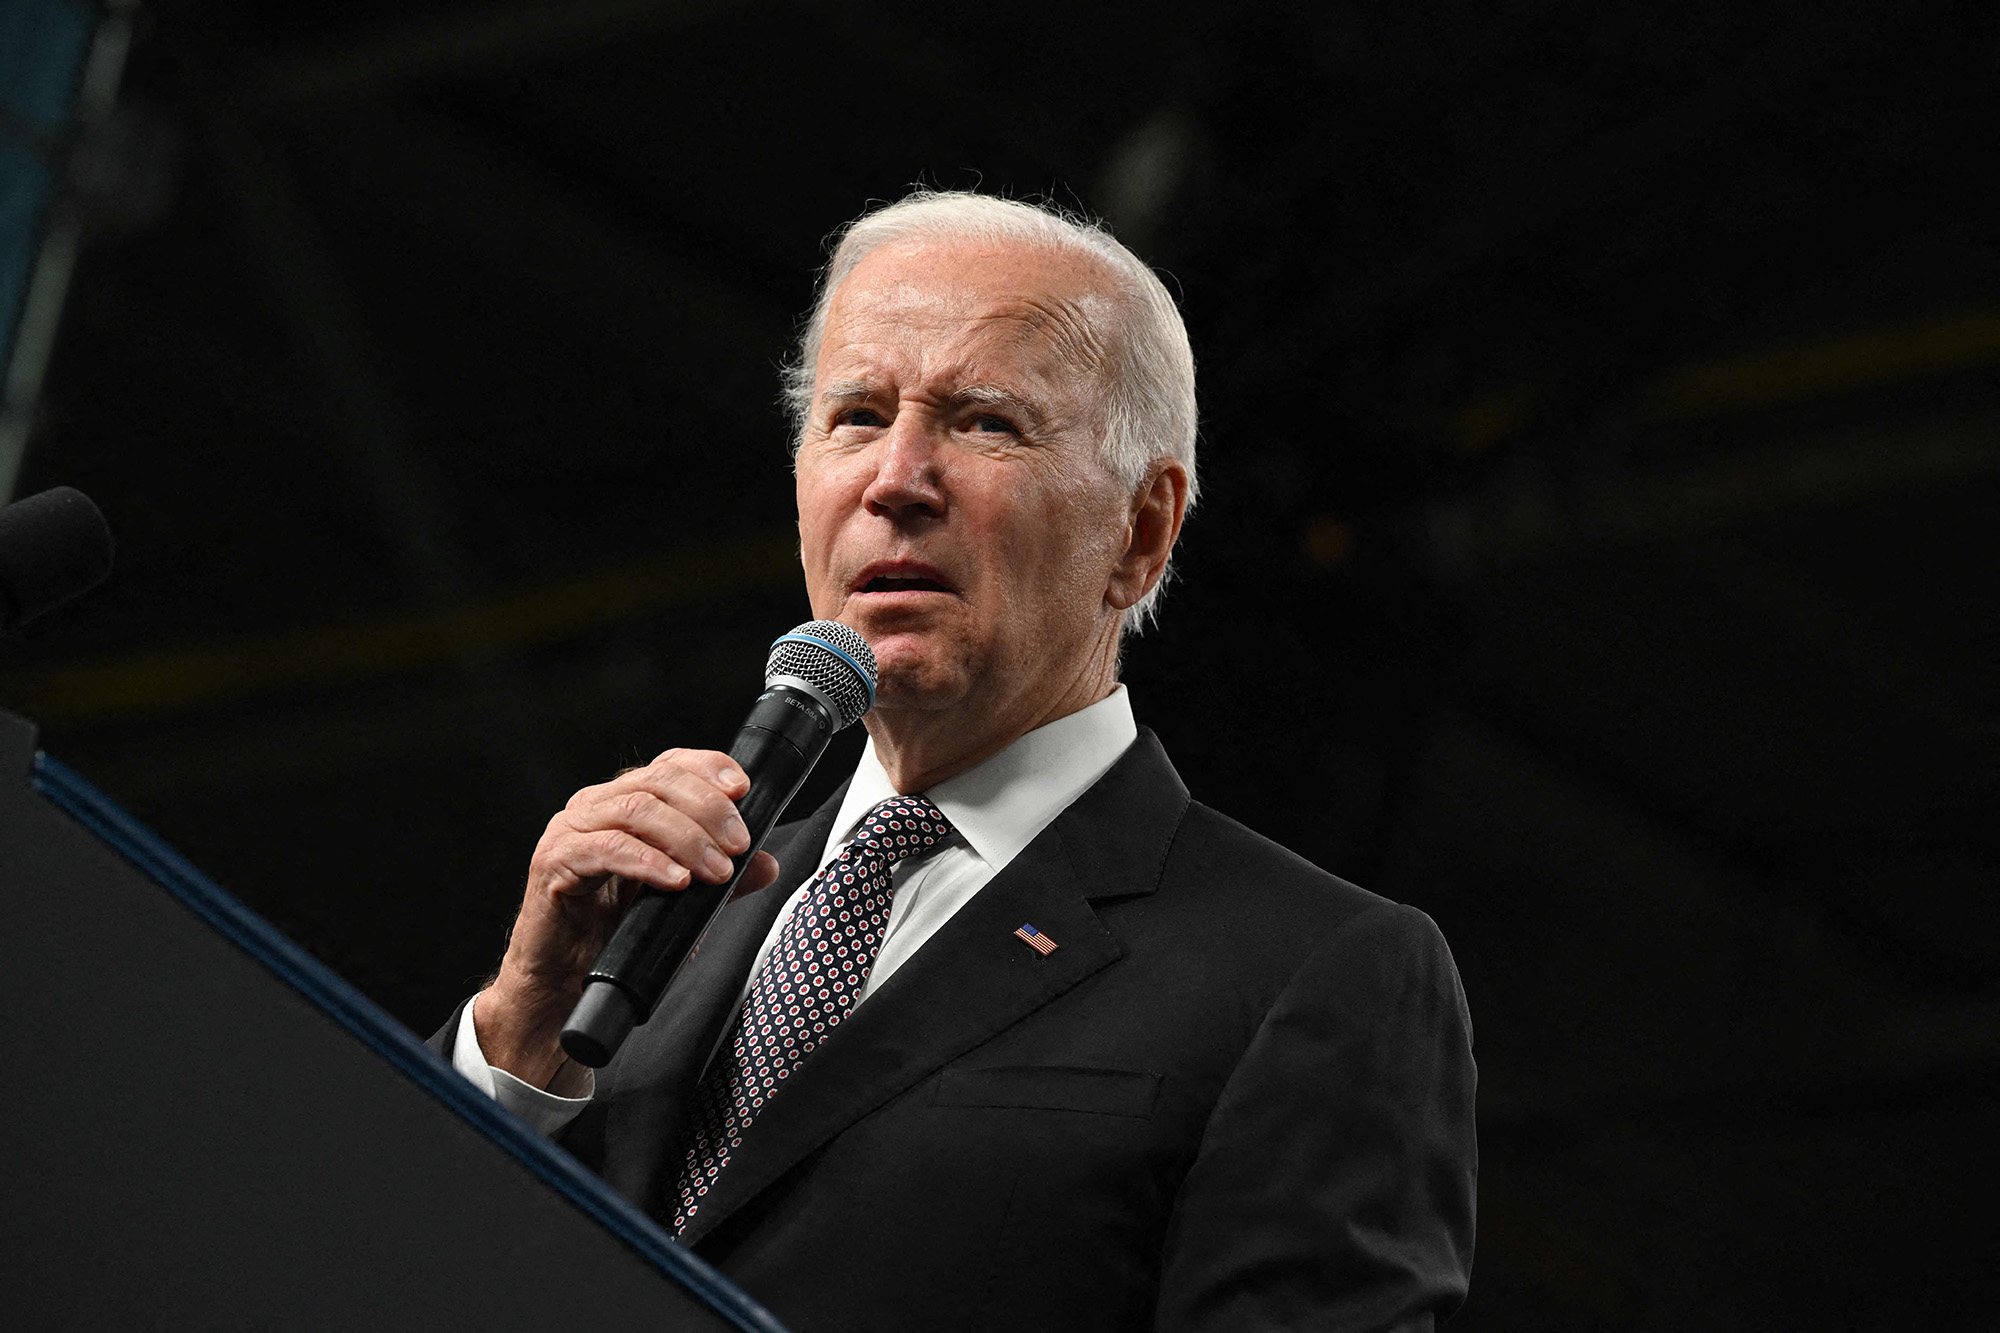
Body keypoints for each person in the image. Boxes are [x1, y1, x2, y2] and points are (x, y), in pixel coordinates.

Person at [431, 190, 1476, 1331]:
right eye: (856, 416)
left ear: (1139, 532)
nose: (895, 479)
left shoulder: (1311, 970)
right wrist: (518, 1038)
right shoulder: (652, 925)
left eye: (984, 421)